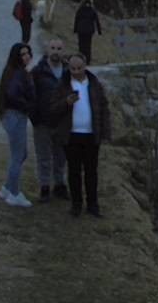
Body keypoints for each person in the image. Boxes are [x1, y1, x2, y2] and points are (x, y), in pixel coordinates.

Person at [51, 53, 111, 217]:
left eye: (79, 68)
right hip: (71, 135)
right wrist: (66, 103)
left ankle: (93, 205)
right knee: (74, 171)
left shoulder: (94, 83)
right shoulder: (63, 84)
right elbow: (53, 108)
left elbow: (103, 107)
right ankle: (76, 204)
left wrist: (105, 131)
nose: (76, 71)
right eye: (72, 68)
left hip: (91, 135)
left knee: (91, 172)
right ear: (69, 68)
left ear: (85, 66)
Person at [0, 42, 35, 207]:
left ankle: (7, 188)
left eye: (28, 53)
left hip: (14, 115)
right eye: (22, 54)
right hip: (16, 115)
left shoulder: (14, 72)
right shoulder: (18, 74)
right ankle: (14, 193)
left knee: (21, 154)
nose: (26, 57)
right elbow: (13, 95)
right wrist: (27, 106)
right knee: (18, 156)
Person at [30, 38, 69, 203]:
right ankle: (44, 187)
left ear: (63, 51)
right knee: (44, 157)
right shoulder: (38, 71)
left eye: (59, 48)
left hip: (62, 122)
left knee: (61, 157)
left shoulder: (68, 70)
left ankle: (60, 185)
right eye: (52, 48)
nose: (55, 51)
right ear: (47, 50)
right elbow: (30, 95)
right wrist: (34, 117)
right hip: (43, 121)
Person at [72, 0, 102, 66]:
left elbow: (77, 20)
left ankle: (81, 60)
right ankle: (87, 61)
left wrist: (75, 29)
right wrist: (99, 31)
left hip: (81, 29)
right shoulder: (92, 10)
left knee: (81, 45)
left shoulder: (80, 9)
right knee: (88, 46)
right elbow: (96, 21)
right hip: (89, 30)